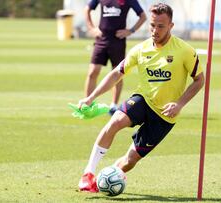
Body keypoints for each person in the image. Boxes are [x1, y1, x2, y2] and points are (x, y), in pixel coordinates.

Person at [78, 3, 205, 193]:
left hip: (164, 116)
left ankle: (109, 176)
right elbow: (116, 74)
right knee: (115, 121)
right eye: (152, 25)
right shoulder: (141, 49)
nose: (155, 30)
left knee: (130, 160)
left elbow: (199, 80)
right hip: (143, 100)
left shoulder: (185, 50)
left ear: (171, 25)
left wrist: (179, 104)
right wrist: (91, 97)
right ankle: (88, 173)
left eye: (161, 26)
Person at [84, 0, 146, 114]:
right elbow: (87, 9)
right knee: (93, 72)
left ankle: (113, 105)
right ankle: (87, 104)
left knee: (117, 72)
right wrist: (91, 28)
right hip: (101, 39)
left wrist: (130, 31)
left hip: (118, 41)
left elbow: (143, 16)